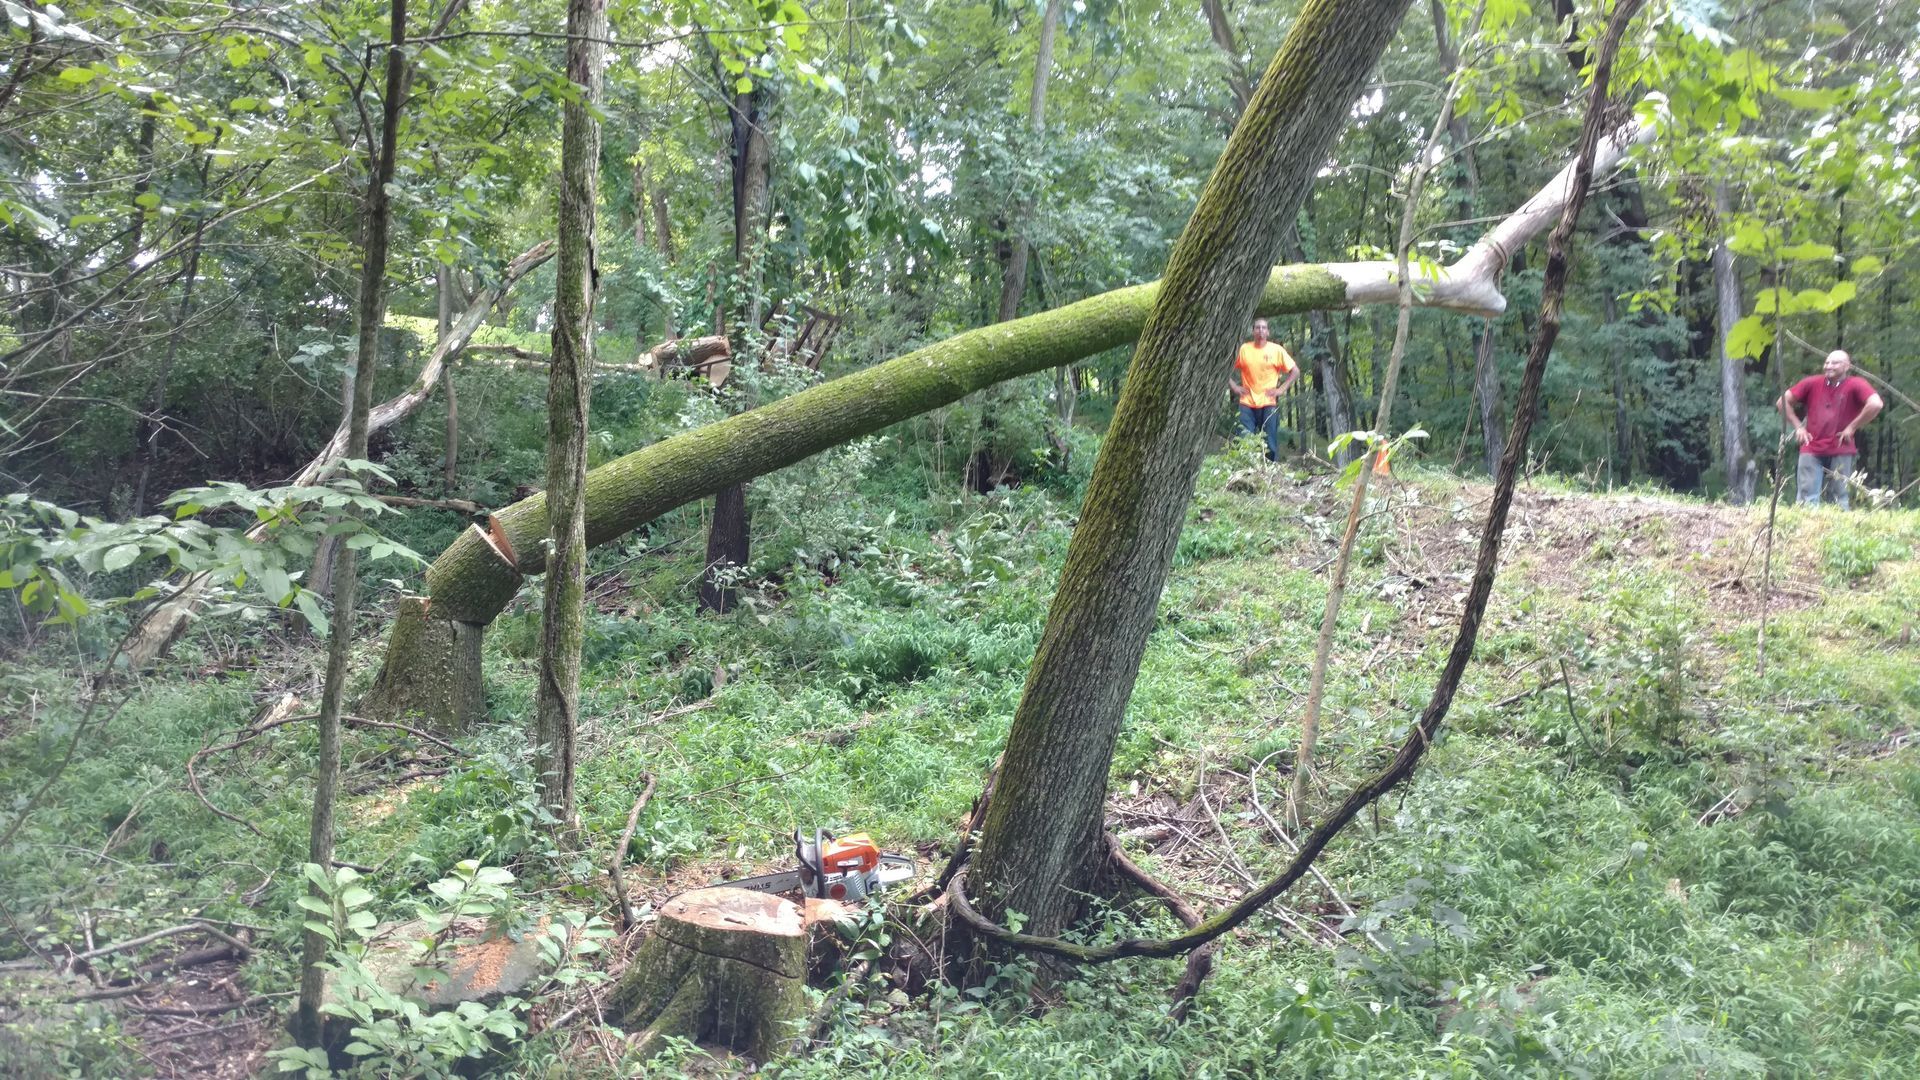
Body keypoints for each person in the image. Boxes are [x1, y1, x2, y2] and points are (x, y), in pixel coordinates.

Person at [1776, 349, 1883, 508]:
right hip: (1811, 446)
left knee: (1840, 498)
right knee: (1806, 498)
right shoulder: (1812, 382)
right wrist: (1799, 427)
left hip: (1841, 446)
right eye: (1827, 362)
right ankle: (1807, 524)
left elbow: (1876, 404)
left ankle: (1839, 524)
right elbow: (1782, 402)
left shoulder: (1856, 384)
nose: (1829, 366)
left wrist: (1852, 427)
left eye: (1835, 363)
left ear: (1847, 366)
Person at [1229, 318, 1299, 462]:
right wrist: (1234, 386)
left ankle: (1270, 471)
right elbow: (1224, 368)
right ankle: (1245, 470)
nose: (1260, 330)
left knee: (1270, 444)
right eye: (1257, 327)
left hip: (1268, 402)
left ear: (1268, 332)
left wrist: (1281, 389)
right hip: (1247, 402)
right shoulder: (1244, 349)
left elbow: (1295, 371)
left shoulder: (1276, 350)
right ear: (1253, 331)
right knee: (1243, 440)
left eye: (1263, 328)